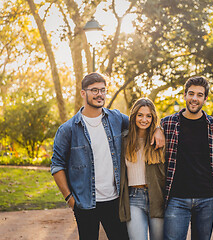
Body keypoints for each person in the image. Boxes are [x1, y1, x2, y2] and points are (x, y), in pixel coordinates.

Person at [50, 73, 164, 240]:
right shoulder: (68, 129)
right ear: (83, 93)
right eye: (94, 90)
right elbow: (57, 166)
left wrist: (158, 128)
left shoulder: (116, 118)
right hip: (85, 203)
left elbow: (142, 122)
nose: (99, 94)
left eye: (102, 90)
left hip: (114, 201)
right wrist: (70, 199)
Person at [160, 76, 213, 240]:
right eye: (191, 94)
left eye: (199, 95)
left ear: (205, 98)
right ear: (185, 95)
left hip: (207, 198)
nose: (195, 98)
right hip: (176, 197)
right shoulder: (167, 124)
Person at [120, 98, 166, 240]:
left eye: (148, 116)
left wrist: (160, 128)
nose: (144, 119)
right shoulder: (124, 141)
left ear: (153, 118)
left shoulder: (159, 140)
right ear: (134, 116)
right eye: (140, 115)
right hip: (134, 198)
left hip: (157, 197)